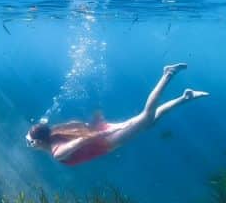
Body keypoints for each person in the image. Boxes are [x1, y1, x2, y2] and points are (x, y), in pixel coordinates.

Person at [26, 63, 209, 166]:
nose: (28, 144)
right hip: (103, 136)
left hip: (107, 140)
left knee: (146, 117)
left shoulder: (58, 153)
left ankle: (168, 74)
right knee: (150, 122)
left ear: (39, 142)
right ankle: (186, 97)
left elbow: (83, 140)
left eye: (29, 141)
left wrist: (115, 129)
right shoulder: (55, 134)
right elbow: (78, 129)